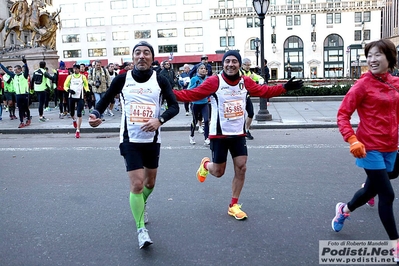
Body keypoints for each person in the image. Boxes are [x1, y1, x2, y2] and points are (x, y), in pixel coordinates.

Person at [173, 50, 303, 220]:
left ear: (239, 65)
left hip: (238, 133)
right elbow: (191, 94)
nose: (230, 64)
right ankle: (206, 165)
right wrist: (168, 94)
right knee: (219, 172)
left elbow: (264, 91)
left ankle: (233, 205)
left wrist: (284, 87)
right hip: (219, 134)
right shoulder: (215, 81)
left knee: (241, 167)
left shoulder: (245, 82)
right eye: (227, 61)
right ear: (223, 64)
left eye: (234, 61)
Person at [89, 41, 179, 249]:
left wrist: (160, 120)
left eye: (146, 53)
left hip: (152, 140)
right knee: (137, 184)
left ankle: (141, 204)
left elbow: (174, 106)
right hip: (130, 140)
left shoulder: (161, 80)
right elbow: (105, 100)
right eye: (137, 53)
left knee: (150, 185)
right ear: (132, 57)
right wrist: (95, 114)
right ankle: (141, 230)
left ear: (152, 58)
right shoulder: (123, 79)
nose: (141, 56)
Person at [332, 39, 399, 261]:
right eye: (369, 55)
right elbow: (342, 115)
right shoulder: (362, 85)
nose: (372, 59)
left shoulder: (395, 83)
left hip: (391, 146)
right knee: (387, 194)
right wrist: (352, 140)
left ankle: (344, 210)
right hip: (368, 148)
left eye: (377, 54)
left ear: (389, 58)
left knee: (374, 188)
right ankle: (395, 245)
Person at [0, 57, 31, 128]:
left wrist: (25, 63)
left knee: (26, 108)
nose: (15, 71)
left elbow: (27, 70)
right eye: (14, 70)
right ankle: (21, 122)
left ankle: (28, 119)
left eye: (16, 69)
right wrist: (1, 64)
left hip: (25, 94)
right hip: (18, 94)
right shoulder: (14, 76)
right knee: (20, 108)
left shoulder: (24, 75)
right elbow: (6, 71)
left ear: (20, 70)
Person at [240, 58, 264, 140]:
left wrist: (259, 81)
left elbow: (260, 78)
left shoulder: (251, 73)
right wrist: (251, 79)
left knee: (251, 113)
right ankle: (240, 131)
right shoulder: (239, 72)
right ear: (242, 65)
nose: (248, 66)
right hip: (239, 98)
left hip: (247, 97)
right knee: (240, 116)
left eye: (249, 65)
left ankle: (246, 129)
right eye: (246, 65)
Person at [64, 64, 89, 138]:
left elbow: (86, 85)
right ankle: (74, 120)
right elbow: (65, 85)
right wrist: (69, 90)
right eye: (74, 69)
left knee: (79, 113)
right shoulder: (70, 77)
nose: (75, 70)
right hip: (71, 96)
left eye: (76, 69)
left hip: (80, 97)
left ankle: (78, 130)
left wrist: (87, 91)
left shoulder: (82, 77)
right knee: (71, 112)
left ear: (79, 69)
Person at [187, 63, 210, 145]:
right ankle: (191, 135)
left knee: (207, 120)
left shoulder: (207, 79)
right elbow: (189, 90)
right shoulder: (194, 79)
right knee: (195, 120)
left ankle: (207, 138)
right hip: (195, 103)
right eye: (201, 68)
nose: (203, 70)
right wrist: (196, 86)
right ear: (198, 70)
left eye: (204, 68)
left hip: (204, 103)